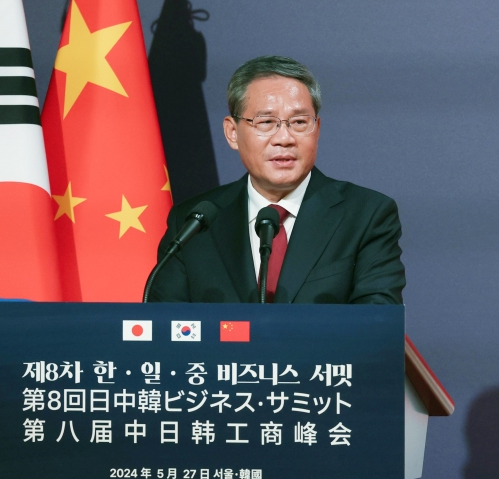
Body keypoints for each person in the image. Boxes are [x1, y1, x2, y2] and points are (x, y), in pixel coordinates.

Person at [148, 55, 405, 304]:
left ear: (317, 130)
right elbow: (163, 324)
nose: (284, 138)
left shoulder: (365, 216)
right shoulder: (192, 223)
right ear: (232, 133)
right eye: (266, 122)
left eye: (299, 122)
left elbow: (377, 322)